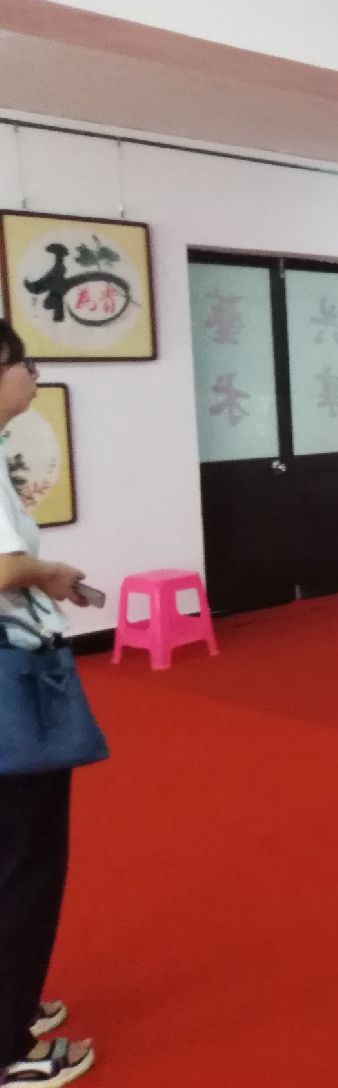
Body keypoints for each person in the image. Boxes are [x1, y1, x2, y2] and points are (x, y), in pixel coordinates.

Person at [0, 321, 97, 1087]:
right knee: (25, 859)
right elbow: (3, 568)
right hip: (11, 681)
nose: (33, 374)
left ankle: (15, 1001)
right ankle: (11, 1047)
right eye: (22, 362)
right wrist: (51, 571)